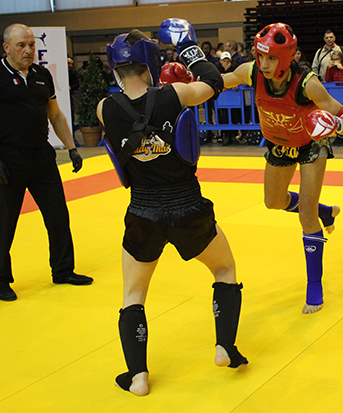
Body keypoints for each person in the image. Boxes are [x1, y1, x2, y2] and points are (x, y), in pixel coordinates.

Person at [97, 23, 247, 396]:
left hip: (142, 212)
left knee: (134, 295)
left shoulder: (104, 109)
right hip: (188, 207)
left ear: (114, 67)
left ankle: (138, 377)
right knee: (224, 269)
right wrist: (188, 46)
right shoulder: (175, 95)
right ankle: (224, 347)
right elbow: (213, 82)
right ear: (148, 62)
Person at [223, 23, 343, 314]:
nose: (265, 63)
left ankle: (314, 285)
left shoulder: (307, 83)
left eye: (272, 58)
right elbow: (222, 81)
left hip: (310, 145)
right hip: (278, 143)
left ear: (288, 57)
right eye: (261, 56)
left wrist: (337, 124)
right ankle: (324, 211)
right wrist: (186, 83)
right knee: (273, 202)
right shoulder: (251, 72)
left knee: (305, 216)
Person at [0, 24, 92, 302]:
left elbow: (55, 113)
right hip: (8, 159)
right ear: (6, 48)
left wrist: (72, 147)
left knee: (58, 215)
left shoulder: (41, 74)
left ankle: (63, 270)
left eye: (31, 45)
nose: (28, 50)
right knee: (5, 223)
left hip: (41, 156)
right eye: (21, 46)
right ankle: (1, 279)